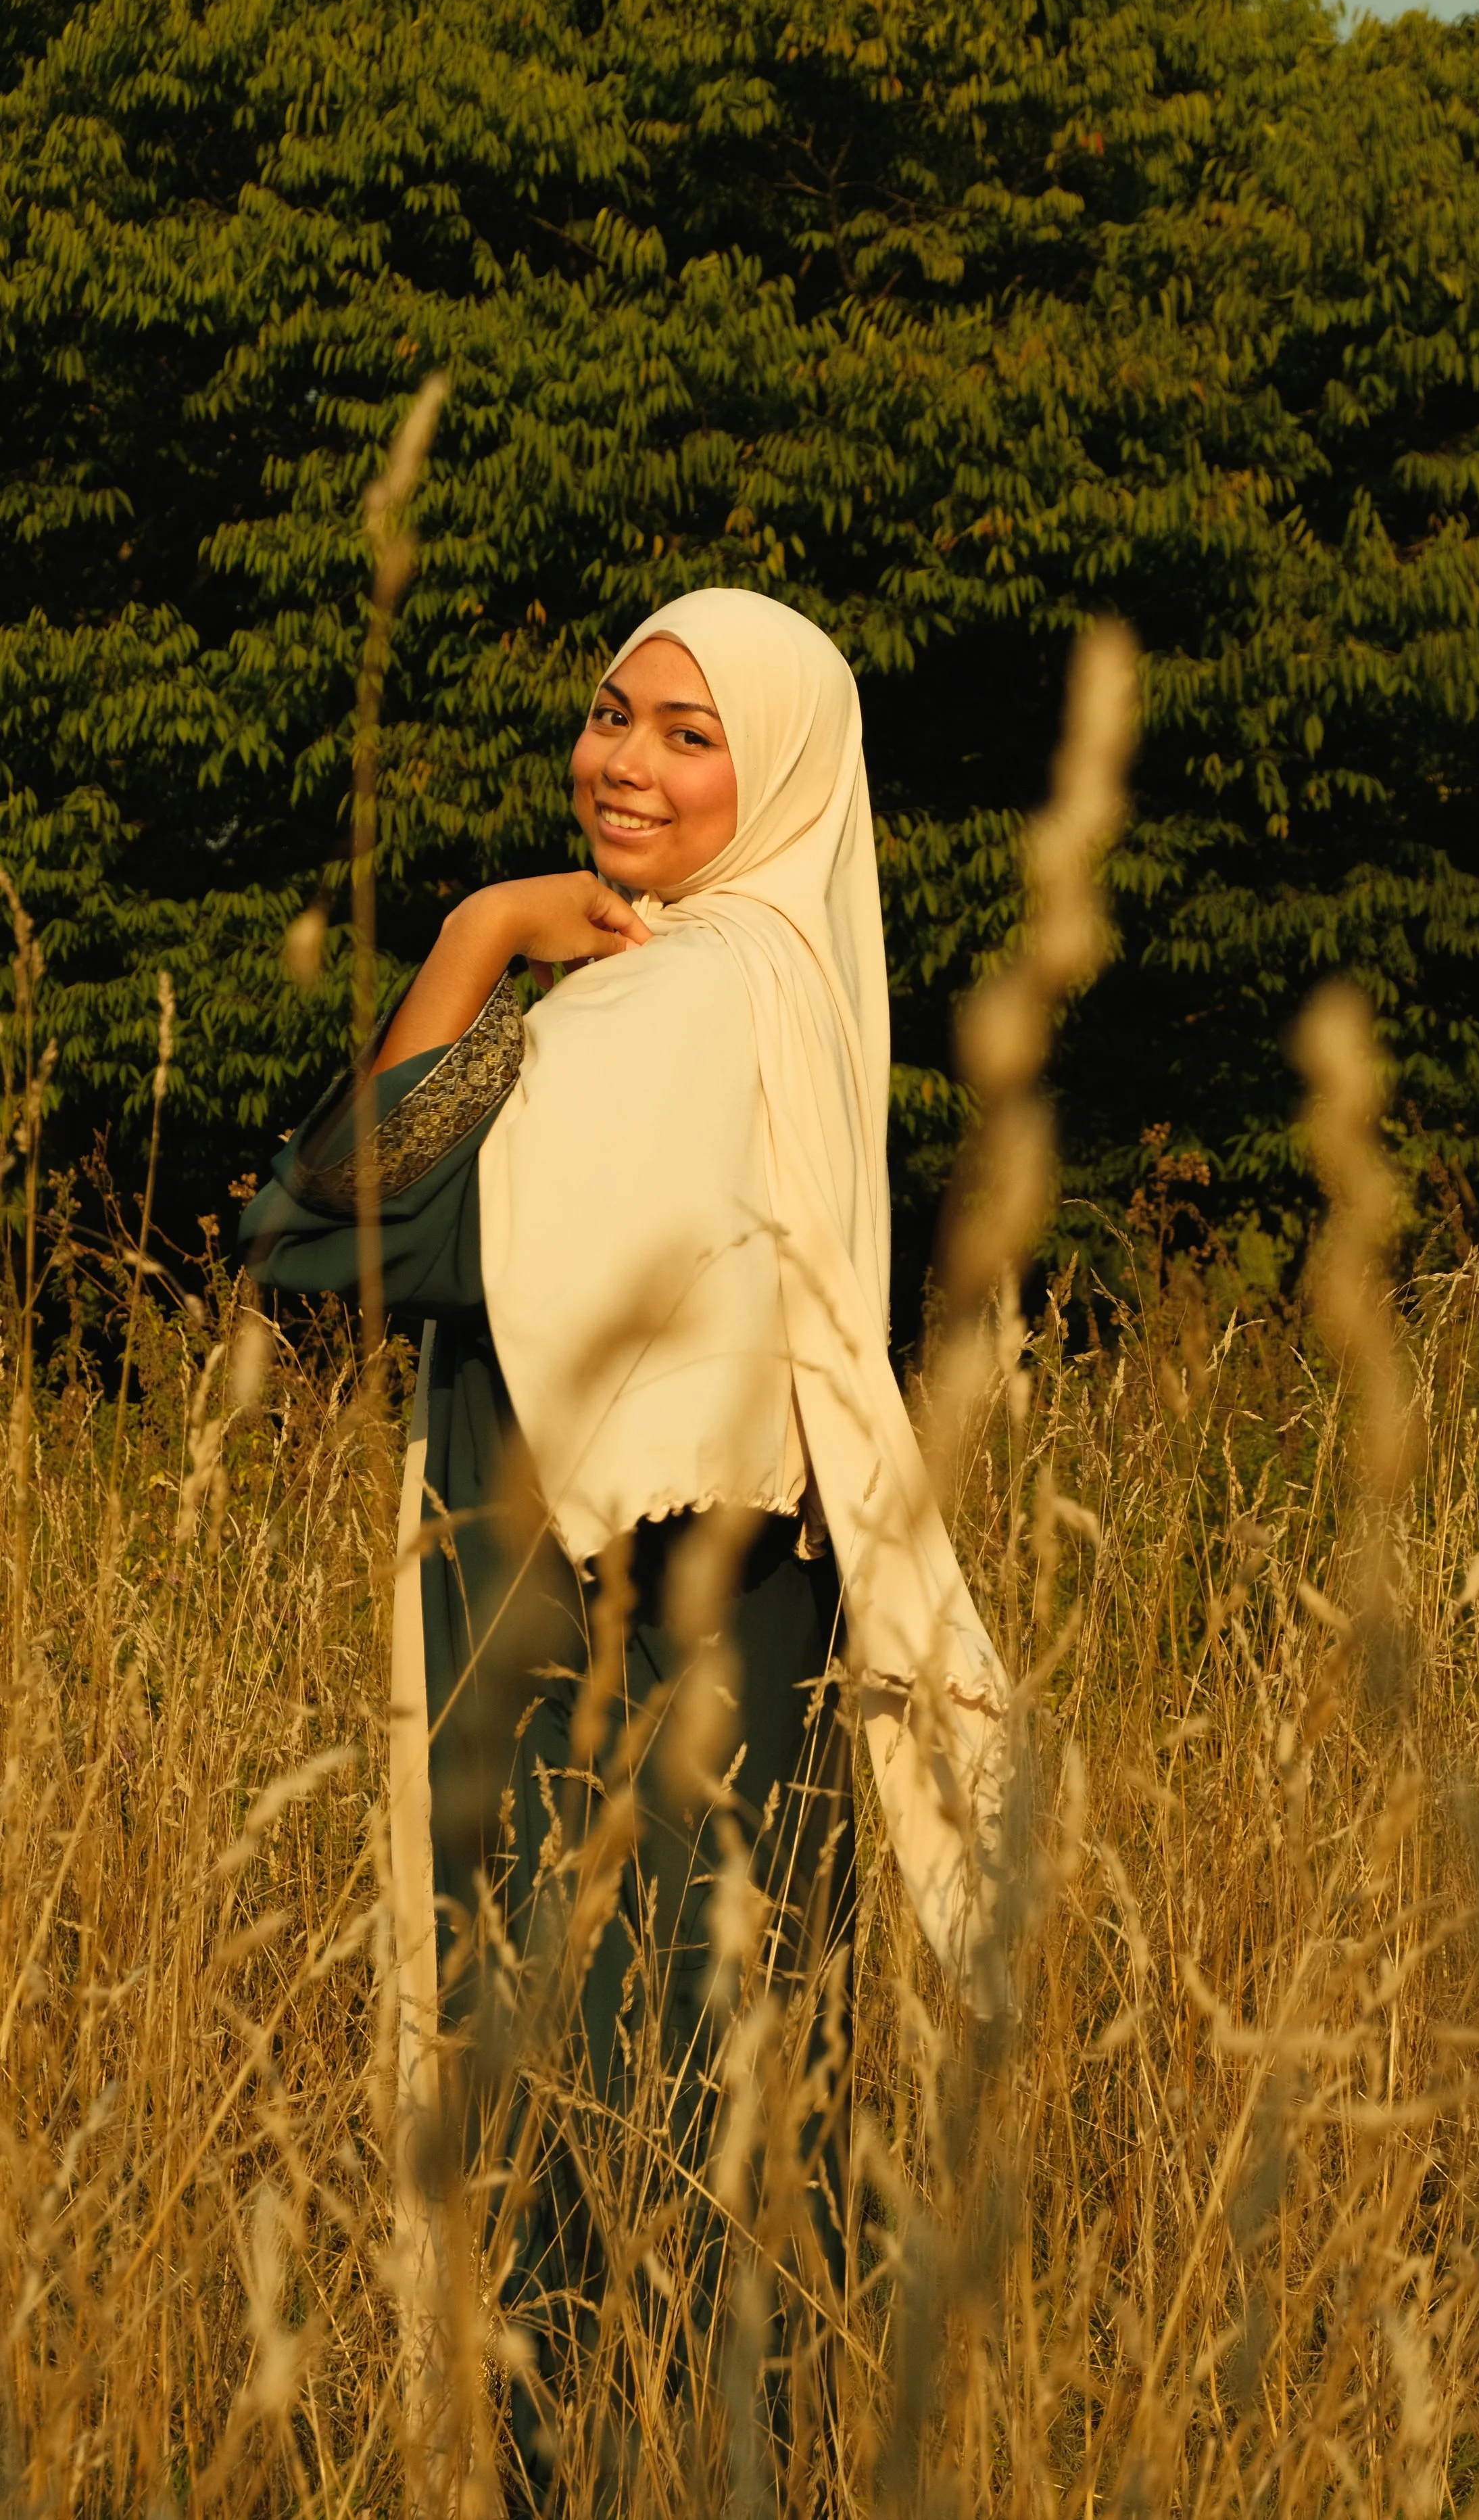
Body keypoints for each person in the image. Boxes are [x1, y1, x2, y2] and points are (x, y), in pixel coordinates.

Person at [241, 588, 1004, 2513]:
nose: (625, 761)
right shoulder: (789, 987)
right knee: (743, 2131)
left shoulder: (676, 997)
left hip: (608, 1663)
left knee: (602, 2159)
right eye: (610, 715)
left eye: (687, 732)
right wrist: (514, 958)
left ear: (779, 774)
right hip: (750, 1647)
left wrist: (477, 930)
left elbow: (332, 1224)